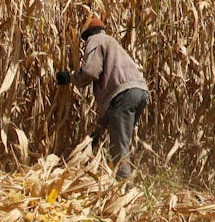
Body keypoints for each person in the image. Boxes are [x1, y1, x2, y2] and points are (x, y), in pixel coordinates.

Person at [56, 16, 149, 179]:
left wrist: (70, 78)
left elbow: (91, 71)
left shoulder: (95, 40)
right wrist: (94, 136)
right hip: (138, 91)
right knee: (113, 136)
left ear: (86, 34)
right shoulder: (110, 41)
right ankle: (95, 169)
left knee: (118, 145)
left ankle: (123, 187)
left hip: (123, 94)